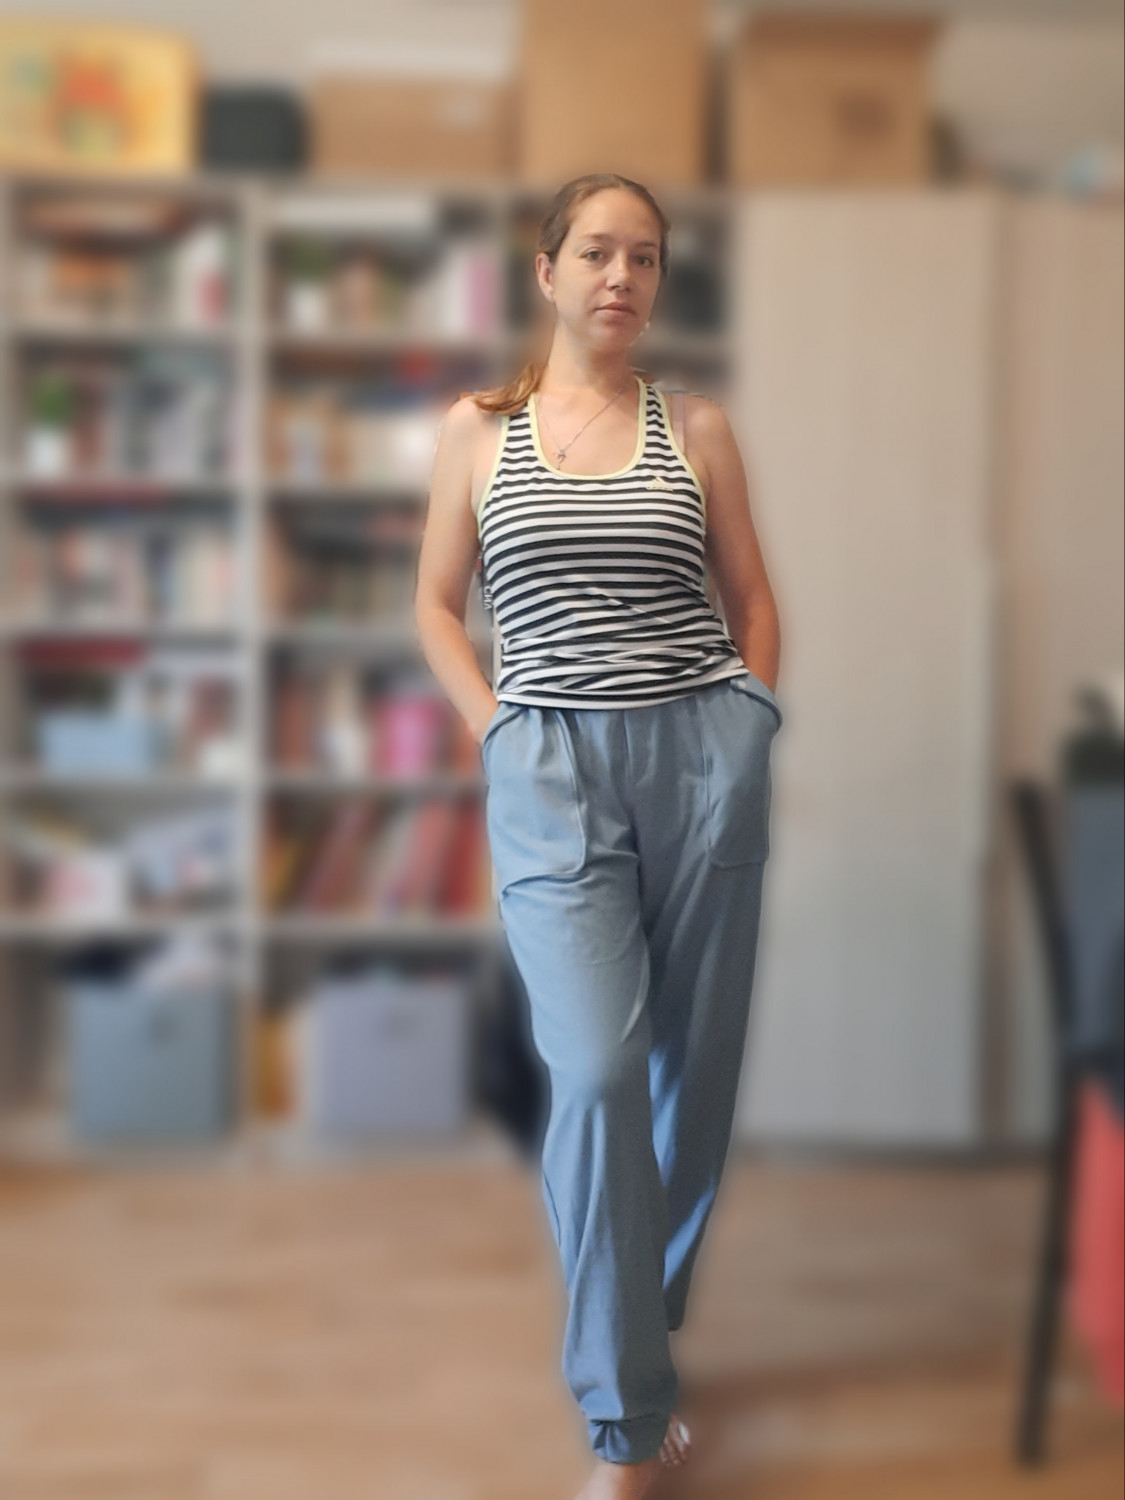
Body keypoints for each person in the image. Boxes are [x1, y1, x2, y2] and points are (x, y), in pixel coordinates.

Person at [415, 172, 783, 1500]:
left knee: (691, 1075)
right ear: (546, 271)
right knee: (598, 1071)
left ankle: (641, 1317)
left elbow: (750, 599)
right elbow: (436, 605)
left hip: (699, 758)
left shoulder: (697, 428)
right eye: (596, 252)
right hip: (551, 767)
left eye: (644, 257)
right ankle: (627, 1422)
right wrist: (495, 728)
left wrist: (748, 723)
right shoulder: (479, 430)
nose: (621, 276)